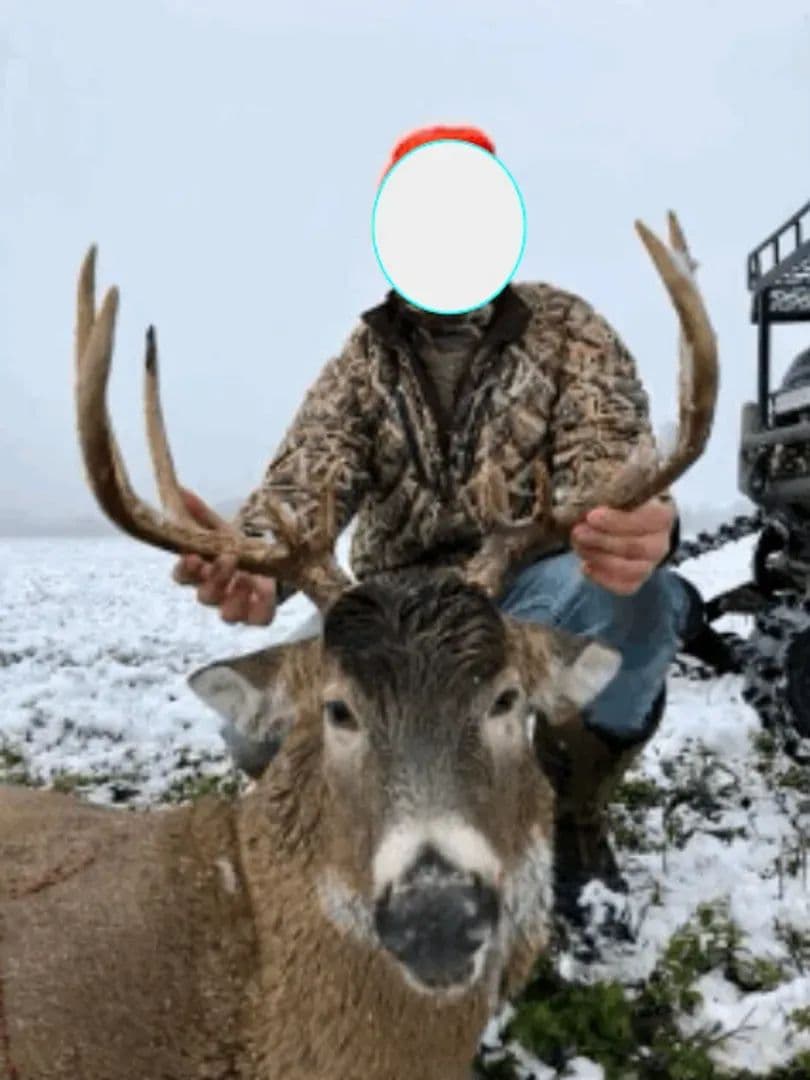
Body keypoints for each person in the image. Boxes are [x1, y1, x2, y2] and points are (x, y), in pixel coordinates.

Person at [173, 124, 701, 917]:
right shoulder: (365, 361)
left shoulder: (570, 331)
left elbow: (608, 465)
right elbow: (306, 477)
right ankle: (389, 821)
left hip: (521, 597)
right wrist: (255, 561)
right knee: (259, 735)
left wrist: (634, 524)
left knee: (635, 603)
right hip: (395, 613)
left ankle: (571, 817)